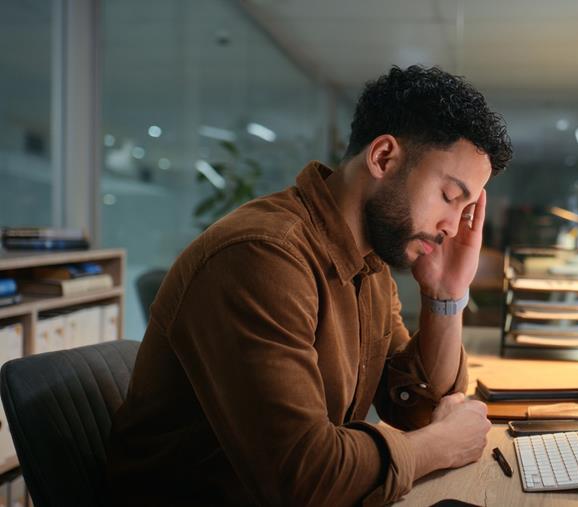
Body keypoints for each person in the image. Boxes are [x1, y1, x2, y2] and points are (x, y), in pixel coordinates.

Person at [104, 65, 513, 506]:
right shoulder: (262, 257)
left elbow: (416, 407)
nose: (453, 227)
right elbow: (303, 477)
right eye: (450, 197)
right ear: (383, 158)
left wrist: (446, 297)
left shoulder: (368, 262)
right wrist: (440, 445)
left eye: (467, 207)